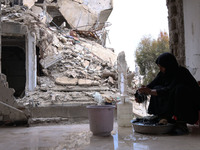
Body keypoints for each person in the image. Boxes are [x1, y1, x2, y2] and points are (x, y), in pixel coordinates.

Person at [138, 52, 200, 134]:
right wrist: (142, 90)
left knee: (179, 89)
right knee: (156, 88)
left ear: (168, 65)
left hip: (190, 108)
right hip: (173, 102)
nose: (160, 69)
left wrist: (150, 91)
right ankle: (162, 117)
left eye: (162, 67)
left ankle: (181, 124)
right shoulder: (163, 74)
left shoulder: (181, 73)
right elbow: (152, 85)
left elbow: (169, 90)